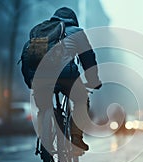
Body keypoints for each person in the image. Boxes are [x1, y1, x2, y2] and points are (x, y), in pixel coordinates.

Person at [37, 7, 102, 154]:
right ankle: (76, 139)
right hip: (65, 75)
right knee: (81, 99)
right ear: (73, 20)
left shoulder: (42, 30)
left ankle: (44, 135)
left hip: (39, 77)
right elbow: (88, 58)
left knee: (43, 107)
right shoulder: (77, 32)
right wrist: (93, 81)